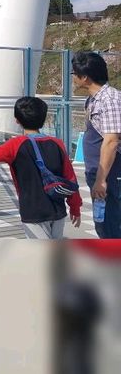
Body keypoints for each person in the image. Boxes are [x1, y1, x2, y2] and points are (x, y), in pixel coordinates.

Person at [0, 96, 82, 239]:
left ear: (17, 120)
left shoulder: (15, 145)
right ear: (43, 118)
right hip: (58, 211)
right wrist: (75, 207)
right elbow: (70, 178)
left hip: (33, 213)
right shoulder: (58, 143)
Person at [72, 51, 121, 238]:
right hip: (98, 171)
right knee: (102, 222)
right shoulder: (94, 99)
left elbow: (111, 141)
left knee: (111, 224)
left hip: (110, 173)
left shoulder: (110, 100)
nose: (73, 77)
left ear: (84, 77)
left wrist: (101, 180)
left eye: (74, 73)